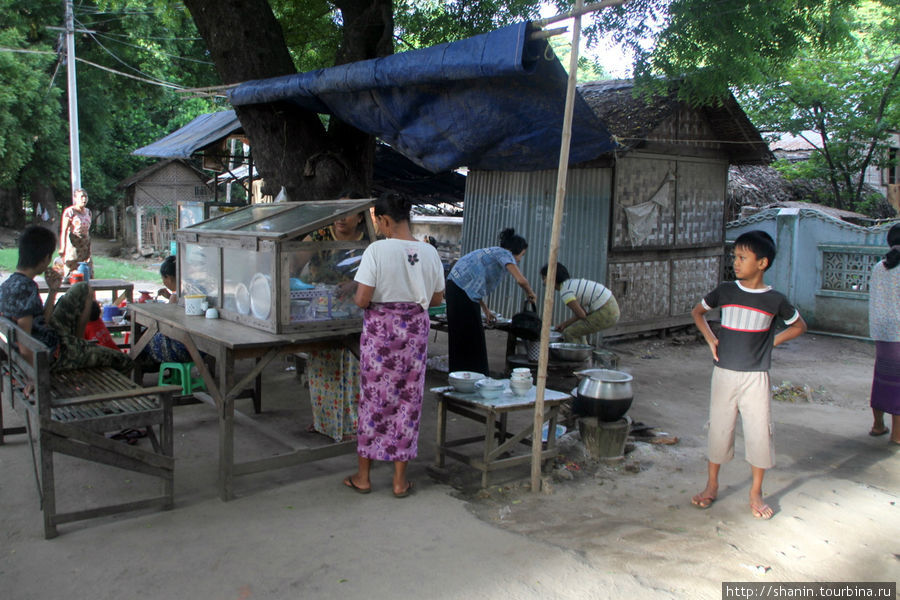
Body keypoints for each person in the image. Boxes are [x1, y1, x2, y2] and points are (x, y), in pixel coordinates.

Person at [690, 230, 806, 520]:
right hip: (724, 374)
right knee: (720, 428)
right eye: (735, 257)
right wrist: (710, 338)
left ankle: (756, 491)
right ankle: (712, 484)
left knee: (759, 433)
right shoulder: (726, 291)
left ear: (762, 263)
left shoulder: (775, 300)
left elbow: (799, 326)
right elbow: (697, 312)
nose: (736, 263)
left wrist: (771, 342)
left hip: (756, 377)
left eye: (742, 257)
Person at [343, 194, 444, 497]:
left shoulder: (377, 250)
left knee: (374, 400)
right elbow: (437, 300)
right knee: (407, 402)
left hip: (381, 335)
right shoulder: (429, 252)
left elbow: (362, 299)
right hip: (414, 334)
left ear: (385, 220)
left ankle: (364, 477)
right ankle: (399, 482)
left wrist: (352, 295)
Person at [0, 226, 132, 374]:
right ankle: (78, 352)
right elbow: (24, 341)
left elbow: (41, 321)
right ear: (46, 258)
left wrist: (52, 290)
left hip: (48, 339)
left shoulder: (9, 284)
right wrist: (32, 377)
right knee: (124, 361)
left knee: (83, 288)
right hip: (52, 355)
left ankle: (79, 344)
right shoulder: (26, 289)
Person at [301, 189, 369, 442]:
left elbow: (376, 274)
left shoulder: (370, 241)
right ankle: (324, 420)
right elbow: (296, 259)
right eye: (337, 212)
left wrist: (355, 284)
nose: (341, 218)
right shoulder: (320, 234)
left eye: (348, 213)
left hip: (355, 314)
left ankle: (350, 425)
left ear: (360, 217)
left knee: (350, 369)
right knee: (321, 367)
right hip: (321, 310)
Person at [446, 228, 537, 375]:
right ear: (516, 250)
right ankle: (474, 375)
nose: (520, 259)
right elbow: (521, 280)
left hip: (457, 288)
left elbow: (475, 286)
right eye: (522, 254)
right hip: (459, 290)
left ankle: (461, 374)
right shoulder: (505, 254)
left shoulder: (494, 253)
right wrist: (531, 293)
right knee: (472, 336)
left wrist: (486, 310)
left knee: (463, 334)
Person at [867, 223, 900, 445]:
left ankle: (878, 425)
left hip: (882, 331)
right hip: (899, 331)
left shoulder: (880, 266)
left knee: (882, 378)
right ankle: (897, 436)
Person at [540, 262, 620, 343]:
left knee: (569, 333)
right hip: (610, 307)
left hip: (606, 311)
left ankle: (578, 355)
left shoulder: (565, 291)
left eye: (544, 278)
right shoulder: (570, 284)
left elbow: (581, 315)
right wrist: (564, 325)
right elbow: (582, 314)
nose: (543, 282)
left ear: (552, 278)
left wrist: (565, 324)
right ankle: (584, 354)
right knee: (578, 330)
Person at [139, 255, 194, 364]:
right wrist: (170, 297)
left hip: (183, 349)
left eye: (163, 278)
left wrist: (171, 299)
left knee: (142, 340)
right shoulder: (192, 290)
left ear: (169, 277)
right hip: (200, 349)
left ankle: (142, 372)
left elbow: (166, 323)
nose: (163, 282)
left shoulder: (175, 297)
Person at [60, 188, 92, 276]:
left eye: (86, 197)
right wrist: (63, 247)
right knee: (71, 271)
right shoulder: (70, 212)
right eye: (81, 197)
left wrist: (89, 247)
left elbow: (87, 230)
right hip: (73, 245)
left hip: (85, 245)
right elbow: (64, 231)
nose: (84, 199)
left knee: (86, 272)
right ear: (75, 198)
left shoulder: (88, 212)